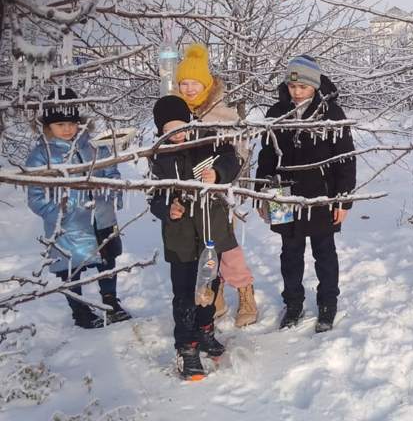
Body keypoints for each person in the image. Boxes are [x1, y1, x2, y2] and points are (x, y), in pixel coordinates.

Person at [254, 55, 356, 333]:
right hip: (283, 193)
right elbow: (266, 157)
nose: (297, 92)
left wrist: (343, 199)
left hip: (321, 196)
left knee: (324, 252)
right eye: (292, 87)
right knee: (290, 252)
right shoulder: (276, 112)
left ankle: (327, 305)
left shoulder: (331, 114)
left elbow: (345, 158)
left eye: (303, 87)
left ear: (315, 85)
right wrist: (262, 192)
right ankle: (294, 303)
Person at [149, 95, 239, 381]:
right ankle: (186, 346)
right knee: (185, 291)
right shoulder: (158, 155)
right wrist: (168, 208)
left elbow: (231, 159)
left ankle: (205, 331)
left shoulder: (207, 141)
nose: (178, 136)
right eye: (169, 131)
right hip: (180, 239)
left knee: (209, 286)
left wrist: (219, 172)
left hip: (211, 231)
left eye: (181, 127)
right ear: (161, 131)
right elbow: (152, 195)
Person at [26, 88, 130, 328]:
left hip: (101, 218)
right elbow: (36, 196)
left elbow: (110, 171)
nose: (67, 129)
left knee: (107, 261)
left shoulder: (93, 146)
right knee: (71, 270)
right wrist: (64, 211)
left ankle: (110, 301)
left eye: (71, 123)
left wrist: (112, 188)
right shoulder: (42, 156)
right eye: (60, 124)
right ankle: (80, 310)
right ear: (48, 125)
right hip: (68, 226)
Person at [174, 43, 258, 328]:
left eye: (194, 83)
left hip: (219, 197)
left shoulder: (224, 117)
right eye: (183, 83)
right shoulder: (174, 116)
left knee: (226, 246)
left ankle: (245, 291)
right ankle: (214, 289)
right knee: (198, 249)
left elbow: (238, 156)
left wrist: (220, 175)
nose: (188, 88)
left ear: (207, 84)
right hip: (187, 199)